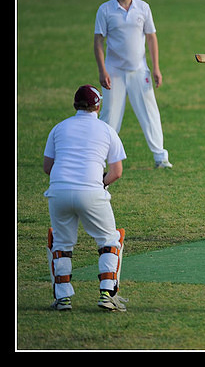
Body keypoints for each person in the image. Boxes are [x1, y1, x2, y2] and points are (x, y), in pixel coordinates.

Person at [43, 85, 128, 311]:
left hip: (58, 191)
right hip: (91, 192)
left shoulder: (58, 128)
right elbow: (116, 172)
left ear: (75, 105)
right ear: (98, 106)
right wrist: (99, 182)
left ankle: (63, 299)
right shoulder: (107, 130)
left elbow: (47, 167)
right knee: (110, 240)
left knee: (61, 244)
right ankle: (107, 295)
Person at [94, 0, 172, 168]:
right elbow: (98, 42)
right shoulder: (105, 10)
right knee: (110, 116)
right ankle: (98, 158)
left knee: (149, 113)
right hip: (114, 72)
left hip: (139, 70)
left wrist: (156, 68)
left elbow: (151, 37)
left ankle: (160, 157)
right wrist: (102, 70)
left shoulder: (143, 8)